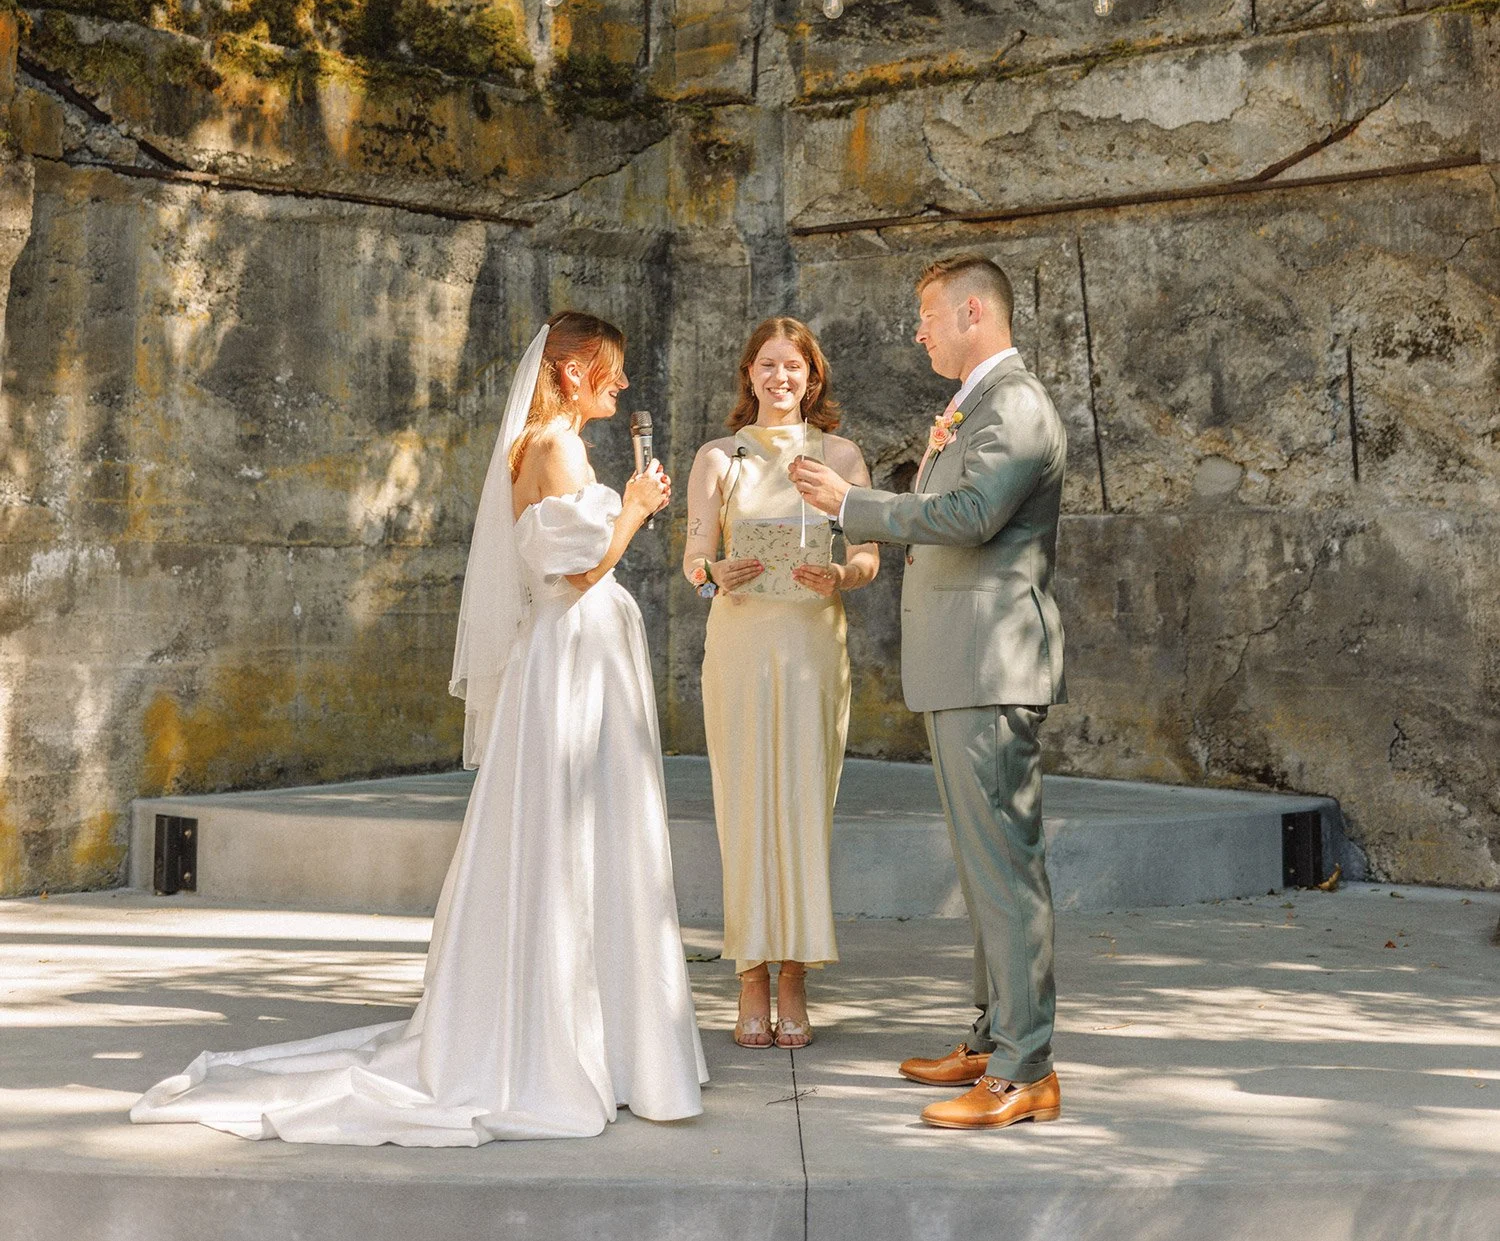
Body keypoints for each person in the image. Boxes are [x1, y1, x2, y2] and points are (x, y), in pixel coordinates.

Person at [132, 312, 706, 1144]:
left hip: (575, 655)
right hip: (574, 652)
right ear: (574, 370)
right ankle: (584, 1048)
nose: (620, 383)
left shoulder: (543, 446)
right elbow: (579, 567)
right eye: (609, 369)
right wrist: (640, 507)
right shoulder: (555, 445)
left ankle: (598, 1036)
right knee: (579, 831)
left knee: (581, 833)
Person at [790, 254, 1066, 1132]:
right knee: (984, 871)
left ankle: (1027, 1068)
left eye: (928, 316)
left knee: (1006, 872)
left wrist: (852, 505)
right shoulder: (976, 405)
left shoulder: (1016, 404)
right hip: (962, 665)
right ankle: (993, 1039)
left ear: (973, 312)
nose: (918, 331)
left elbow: (970, 516)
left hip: (991, 667)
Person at [683, 316, 879, 1049]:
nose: (780, 377)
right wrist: (711, 573)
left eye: (793, 366)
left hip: (812, 645)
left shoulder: (841, 454)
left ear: (813, 376)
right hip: (738, 642)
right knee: (744, 806)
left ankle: (793, 976)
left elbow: (868, 555)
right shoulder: (718, 457)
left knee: (803, 803)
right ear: (749, 373)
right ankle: (749, 977)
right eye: (767, 364)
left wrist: (840, 573)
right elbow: (694, 556)